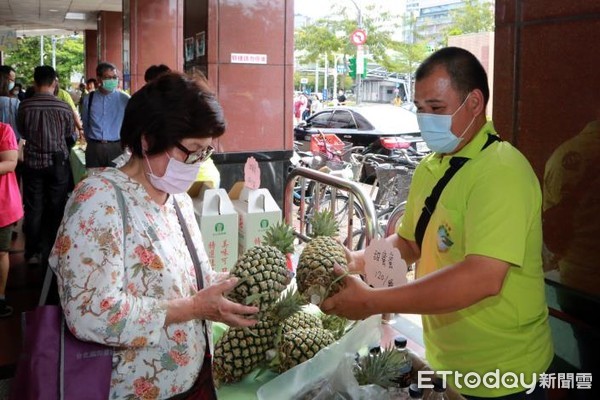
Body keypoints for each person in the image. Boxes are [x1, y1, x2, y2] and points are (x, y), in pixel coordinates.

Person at [321, 47, 553, 399]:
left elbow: (483, 277)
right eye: (420, 108)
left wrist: (372, 301)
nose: (425, 119)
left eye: (437, 109)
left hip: (504, 373)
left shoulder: (501, 172)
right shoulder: (431, 167)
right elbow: (410, 243)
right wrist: (358, 261)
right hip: (446, 361)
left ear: (474, 103)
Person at [48, 72, 258, 398]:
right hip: (134, 387)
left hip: (194, 376)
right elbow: (91, 311)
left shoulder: (178, 200)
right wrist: (193, 308)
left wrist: (233, 285)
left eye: (206, 152)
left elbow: (190, 282)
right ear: (146, 140)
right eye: (192, 150)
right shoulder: (99, 200)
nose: (198, 162)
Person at [17, 66, 74, 266]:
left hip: (32, 162)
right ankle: (54, 250)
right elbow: (69, 134)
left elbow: (22, 131)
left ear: (35, 82)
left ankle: (32, 252)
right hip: (57, 162)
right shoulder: (63, 107)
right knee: (56, 206)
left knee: (33, 207)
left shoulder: (24, 106)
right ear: (54, 82)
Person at [81, 62, 130, 168]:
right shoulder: (88, 99)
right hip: (94, 147)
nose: (112, 80)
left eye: (115, 77)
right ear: (99, 79)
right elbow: (85, 122)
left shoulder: (124, 99)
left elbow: (130, 123)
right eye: (108, 77)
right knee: (93, 180)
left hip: (116, 147)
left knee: (115, 180)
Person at [0, 122, 23, 318]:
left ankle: (0, 297)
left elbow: (10, 162)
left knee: (0, 252)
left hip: (2, 204)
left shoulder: (3, 130)